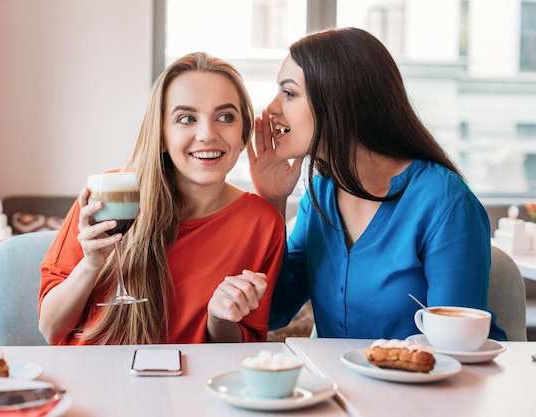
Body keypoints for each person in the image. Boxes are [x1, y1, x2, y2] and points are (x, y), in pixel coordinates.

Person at [247, 27, 507, 341]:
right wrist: (272, 203)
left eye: (289, 93)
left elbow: (456, 346)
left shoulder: (444, 202)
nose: (272, 109)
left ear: (339, 98)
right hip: (340, 387)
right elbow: (273, 313)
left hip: (428, 387)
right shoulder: (321, 197)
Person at [38, 52, 285, 345]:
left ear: (244, 130)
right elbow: (50, 329)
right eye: (186, 118)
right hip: (92, 382)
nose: (207, 134)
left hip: (189, 387)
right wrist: (90, 265)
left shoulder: (262, 223)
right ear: (162, 136)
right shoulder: (111, 193)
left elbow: (242, 351)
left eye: (225, 116)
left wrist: (219, 319)